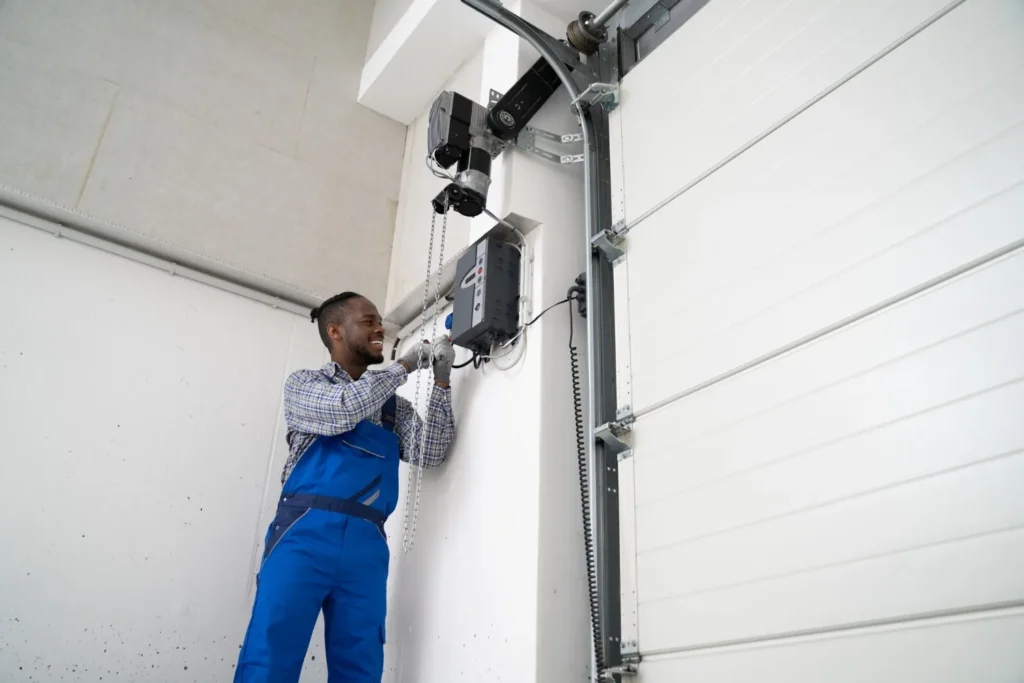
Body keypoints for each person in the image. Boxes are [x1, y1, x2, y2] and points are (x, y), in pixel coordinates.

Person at [235, 291, 456, 683]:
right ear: (335, 331)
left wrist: (441, 382)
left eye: (379, 321)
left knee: (361, 664)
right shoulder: (305, 384)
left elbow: (432, 451)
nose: (380, 328)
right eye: (368, 321)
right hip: (303, 535)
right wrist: (403, 366)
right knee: (270, 655)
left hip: (367, 546)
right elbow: (342, 409)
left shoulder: (392, 407)